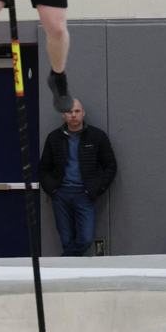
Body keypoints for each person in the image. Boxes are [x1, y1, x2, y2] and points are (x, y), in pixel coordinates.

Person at [39, 99, 117, 256]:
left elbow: (110, 166)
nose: (73, 115)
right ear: (63, 115)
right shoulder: (54, 138)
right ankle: (69, 274)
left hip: (84, 194)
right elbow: (43, 168)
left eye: (77, 111)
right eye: (69, 112)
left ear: (83, 113)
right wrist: (53, 190)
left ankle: (63, 262)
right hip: (61, 195)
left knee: (86, 239)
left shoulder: (97, 136)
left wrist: (97, 188)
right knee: (66, 240)